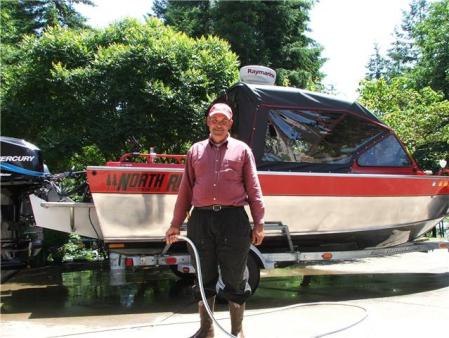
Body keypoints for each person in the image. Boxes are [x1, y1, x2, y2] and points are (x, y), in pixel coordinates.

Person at [165, 103, 265, 338]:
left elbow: (254, 188)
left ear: (230, 124)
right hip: (200, 220)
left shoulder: (242, 150)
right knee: (202, 275)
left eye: (223, 120)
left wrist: (259, 222)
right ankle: (206, 329)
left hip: (233, 219)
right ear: (208, 122)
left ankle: (237, 331)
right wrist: (175, 223)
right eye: (214, 120)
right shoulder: (195, 151)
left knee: (235, 277)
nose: (218, 124)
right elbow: (185, 191)